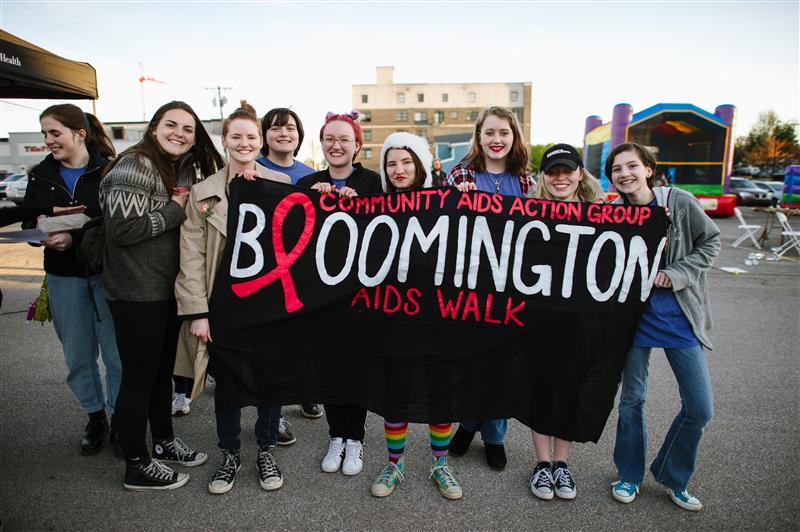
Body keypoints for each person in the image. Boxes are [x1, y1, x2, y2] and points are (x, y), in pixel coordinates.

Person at [100, 101, 223, 491]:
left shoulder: (172, 166)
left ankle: (164, 441)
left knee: (158, 377)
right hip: (136, 292)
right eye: (172, 125)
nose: (180, 134)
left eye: (188, 129)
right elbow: (121, 230)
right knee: (139, 378)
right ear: (154, 128)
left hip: (163, 291)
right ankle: (137, 462)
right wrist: (174, 209)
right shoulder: (134, 165)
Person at [174, 102, 292, 495]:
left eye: (251, 136)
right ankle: (229, 453)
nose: (244, 143)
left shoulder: (282, 186)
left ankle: (266, 449)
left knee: (268, 381)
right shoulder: (203, 192)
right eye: (236, 136)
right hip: (221, 304)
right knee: (226, 384)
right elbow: (191, 255)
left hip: (268, 303)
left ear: (261, 142)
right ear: (224, 141)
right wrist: (197, 311)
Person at [607, 142, 719, 512]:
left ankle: (672, 475)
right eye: (617, 169)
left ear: (648, 169)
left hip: (679, 318)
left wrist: (676, 274)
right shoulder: (612, 212)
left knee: (700, 408)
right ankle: (628, 473)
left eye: (631, 166)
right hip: (633, 322)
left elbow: (711, 243)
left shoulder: (679, 202)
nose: (624, 174)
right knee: (632, 400)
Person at [21, 104, 122, 456]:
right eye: (45, 133)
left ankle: (121, 419)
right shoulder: (40, 176)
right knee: (78, 355)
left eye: (55, 133)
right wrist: (41, 231)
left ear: (79, 133)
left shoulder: (110, 170)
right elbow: (28, 226)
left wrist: (75, 237)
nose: (49, 140)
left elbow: (120, 222)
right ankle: (96, 417)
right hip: (63, 277)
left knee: (117, 354)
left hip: (107, 275)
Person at [368, 132, 462, 500]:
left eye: (406, 161)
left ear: (421, 164)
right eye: (391, 163)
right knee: (397, 391)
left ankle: (440, 463)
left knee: (440, 391)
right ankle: (395, 464)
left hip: (441, 315)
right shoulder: (374, 208)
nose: (399, 169)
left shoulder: (449, 204)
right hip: (394, 317)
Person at [444, 106, 534, 470]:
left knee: (504, 363)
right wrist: (457, 202)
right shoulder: (459, 175)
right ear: (479, 137)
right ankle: (468, 421)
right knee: (473, 361)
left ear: (514, 138)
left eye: (504, 133)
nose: (497, 140)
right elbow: (442, 227)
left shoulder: (528, 181)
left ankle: (492, 434)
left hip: (514, 285)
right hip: (472, 283)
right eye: (490, 133)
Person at [297, 111, 382, 476]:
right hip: (321, 293)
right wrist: (314, 202)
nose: (336, 145)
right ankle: (337, 435)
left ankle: (356, 439)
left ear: (357, 146)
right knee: (329, 365)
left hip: (361, 293)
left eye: (344, 139)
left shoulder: (372, 183)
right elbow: (293, 232)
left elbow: (387, 231)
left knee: (357, 365)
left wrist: (358, 206)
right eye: (329, 139)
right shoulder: (309, 183)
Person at [526, 143, 604, 501]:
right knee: (542, 388)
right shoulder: (528, 213)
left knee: (571, 388)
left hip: (581, 320)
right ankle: (543, 465)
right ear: (544, 176)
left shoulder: (601, 215)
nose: (560, 178)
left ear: (579, 174)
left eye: (567, 171)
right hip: (540, 318)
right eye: (553, 171)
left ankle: (562, 464)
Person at [255, 107, 322, 435]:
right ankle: (274, 414)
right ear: (265, 134)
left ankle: (304, 391)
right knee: (273, 346)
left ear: (299, 134)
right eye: (276, 128)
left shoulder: (310, 175)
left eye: (291, 128)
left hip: (302, 268)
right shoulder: (252, 170)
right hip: (266, 270)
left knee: (304, 340)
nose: (284, 133)